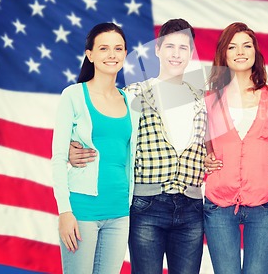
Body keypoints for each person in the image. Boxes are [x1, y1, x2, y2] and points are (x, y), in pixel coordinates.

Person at [68, 19, 207, 274]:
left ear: (191, 53)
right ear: (157, 50)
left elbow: (216, 144)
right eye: (170, 46)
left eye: (184, 48)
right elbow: (107, 132)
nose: (176, 54)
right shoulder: (133, 94)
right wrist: (71, 148)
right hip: (147, 205)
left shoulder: (203, 99)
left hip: (191, 207)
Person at [51, 23, 140, 274]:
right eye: (103, 48)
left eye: (118, 48)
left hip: (120, 211)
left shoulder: (131, 101)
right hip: (82, 210)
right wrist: (65, 212)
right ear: (90, 55)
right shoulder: (73, 95)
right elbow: (58, 157)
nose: (111, 55)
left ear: (125, 54)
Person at [203, 22, 268, 274]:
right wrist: (204, 159)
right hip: (218, 205)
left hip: (263, 203)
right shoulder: (209, 99)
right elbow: (199, 145)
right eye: (232, 46)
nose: (240, 51)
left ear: (255, 52)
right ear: (223, 54)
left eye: (246, 45)